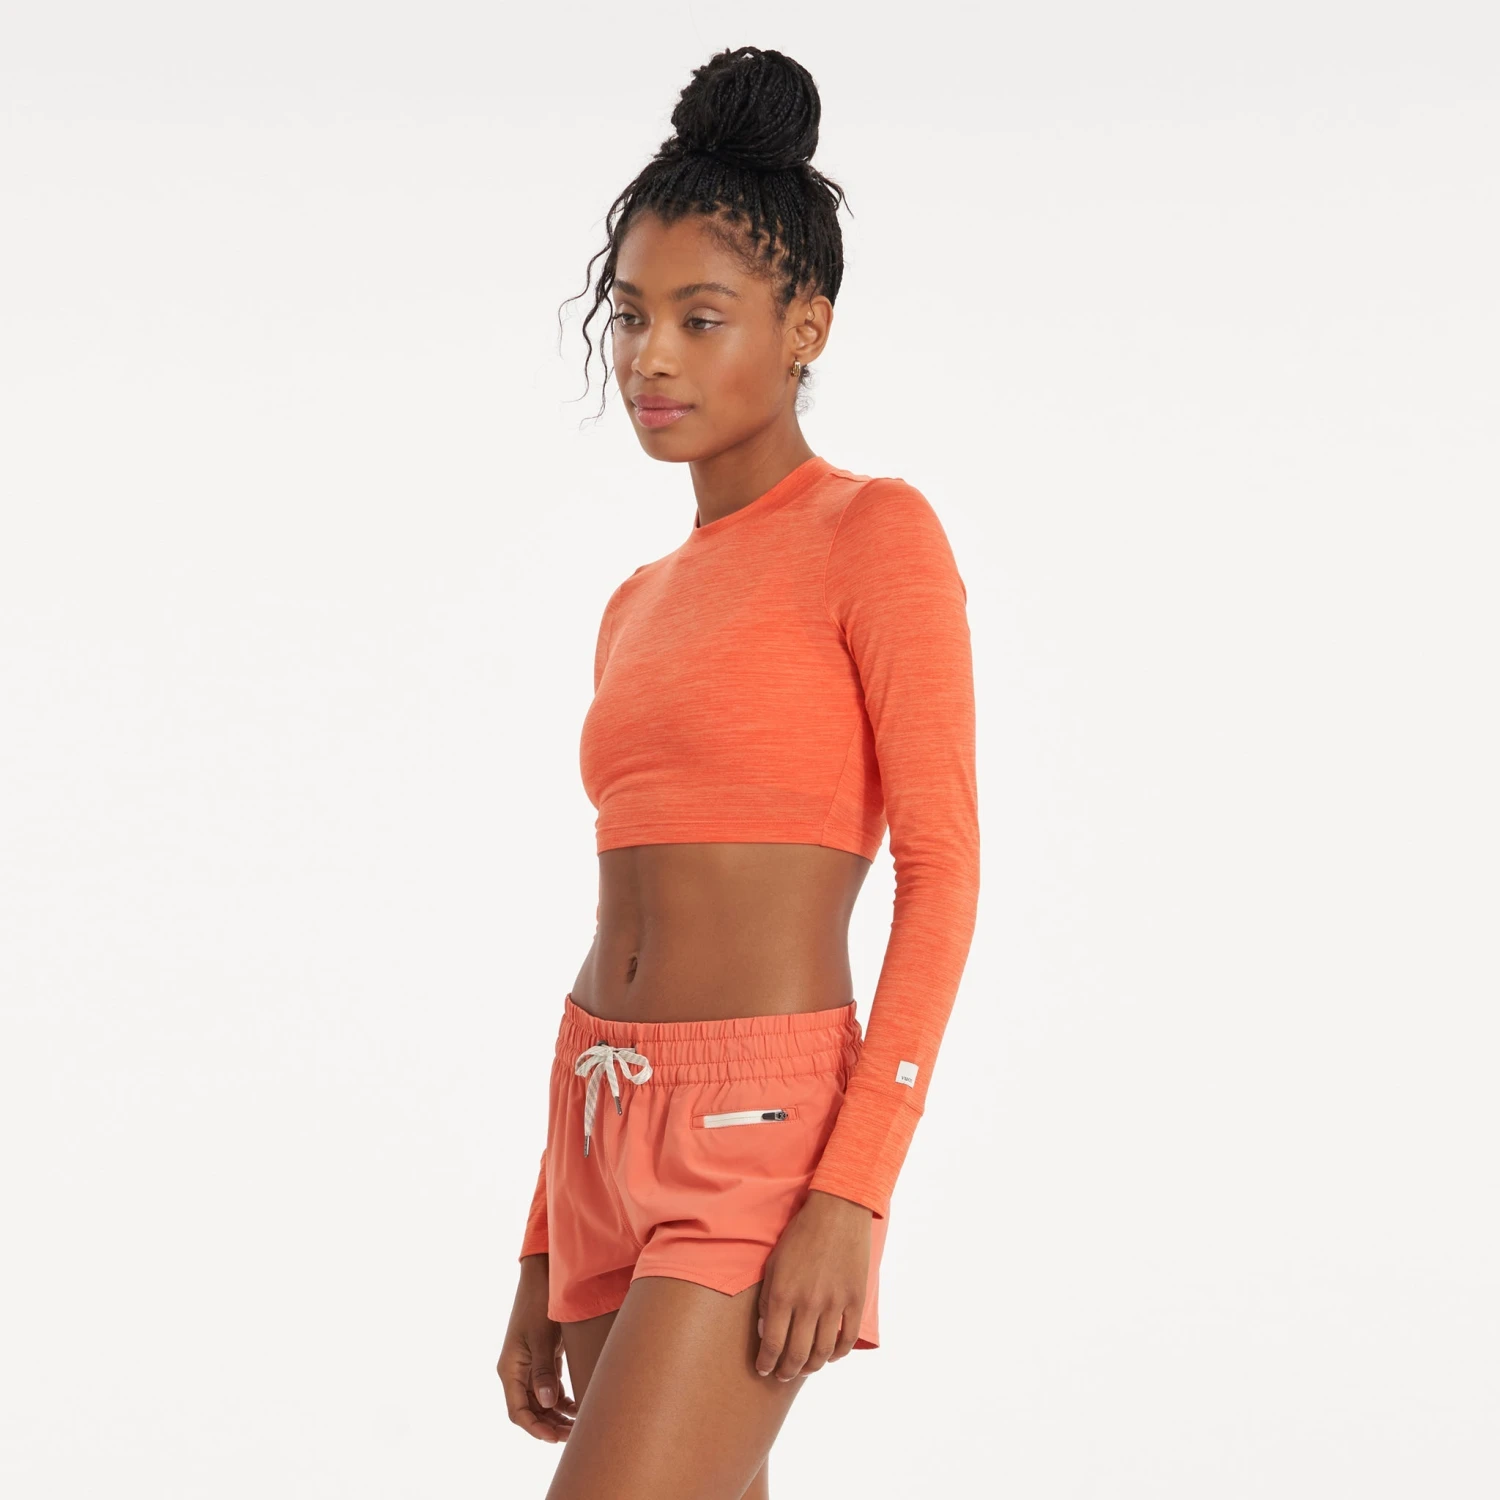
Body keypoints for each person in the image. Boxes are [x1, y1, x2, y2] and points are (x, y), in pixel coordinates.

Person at [496, 45, 980, 1500]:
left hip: (758, 1135)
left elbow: (943, 874)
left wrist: (855, 1190)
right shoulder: (635, 602)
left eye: (701, 319)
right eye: (632, 315)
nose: (650, 356)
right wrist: (543, 1233)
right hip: (597, 1120)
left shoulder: (873, 534)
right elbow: (615, 924)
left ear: (804, 324)